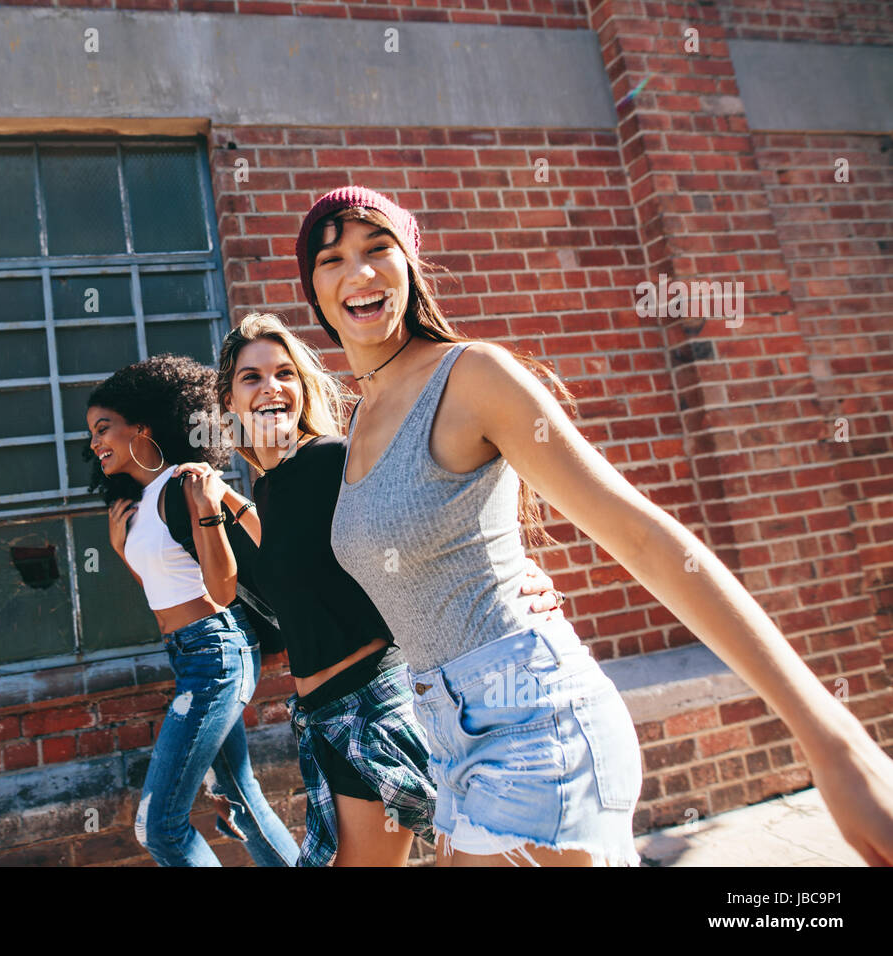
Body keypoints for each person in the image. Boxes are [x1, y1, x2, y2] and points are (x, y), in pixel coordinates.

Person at [293, 184, 893, 867]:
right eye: (332, 258)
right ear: (313, 287)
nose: (360, 273)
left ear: (411, 264)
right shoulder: (359, 419)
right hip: (449, 740)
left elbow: (642, 535)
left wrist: (831, 740)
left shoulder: (471, 376)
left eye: (379, 249)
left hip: (535, 726)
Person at [173, 312, 564, 865]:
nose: (270, 388)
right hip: (324, 718)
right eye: (251, 378)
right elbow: (249, 576)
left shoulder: (335, 459)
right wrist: (218, 507)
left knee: (493, 856)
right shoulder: (273, 489)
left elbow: (428, 515)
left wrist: (518, 573)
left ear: (303, 386)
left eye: (284, 373)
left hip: (379, 705)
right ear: (230, 403)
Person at [85, 354, 299, 867]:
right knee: (242, 802)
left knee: (158, 826)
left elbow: (237, 576)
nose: (94, 444)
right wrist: (121, 551)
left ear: (142, 426)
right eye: (90, 434)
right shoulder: (135, 504)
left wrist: (213, 510)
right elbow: (163, 588)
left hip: (217, 651)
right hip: (187, 654)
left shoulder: (185, 483)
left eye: (103, 428)